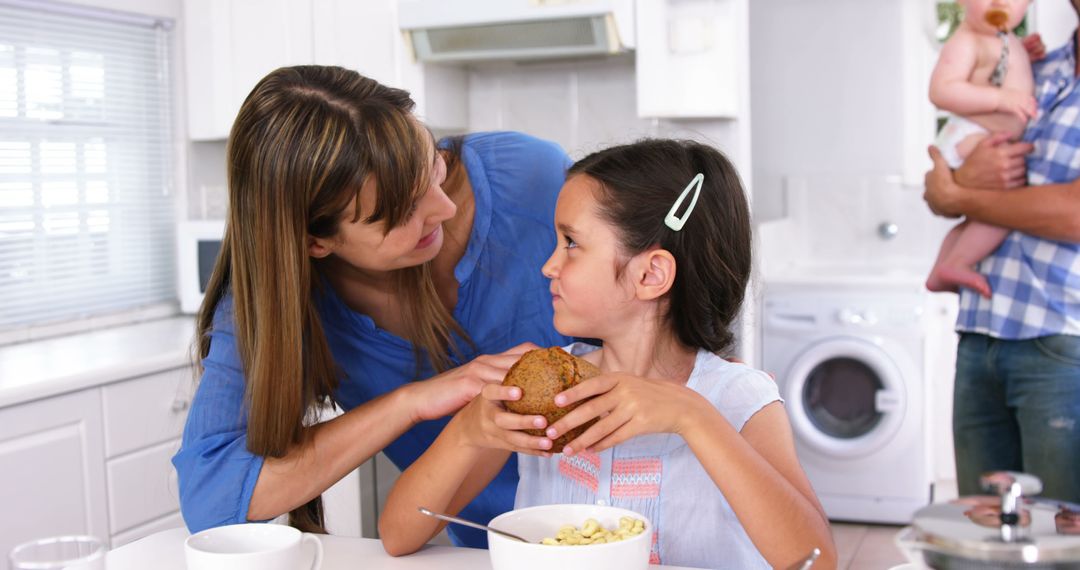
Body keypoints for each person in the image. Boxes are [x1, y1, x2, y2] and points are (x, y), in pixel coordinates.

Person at [378, 139, 837, 569]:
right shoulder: (537, 395)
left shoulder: (736, 398)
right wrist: (465, 432)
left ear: (651, 273)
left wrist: (694, 419)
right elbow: (399, 536)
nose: (548, 265)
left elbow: (817, 560)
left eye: (571, 244)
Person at [171, 65, 574, 547]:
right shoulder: (277, 301)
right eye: (404, 210)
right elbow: (211, 499)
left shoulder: (533, 177)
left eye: (433, 167)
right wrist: (410, 402)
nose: (443, 207)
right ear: (316, 242)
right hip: (490, 552)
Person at [923, 3, 1080, 503]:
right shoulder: (1037, 67)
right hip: (982, 333)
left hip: (1063, 343)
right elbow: (937, 186)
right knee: (985, 532)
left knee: (1061, 534)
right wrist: (958, 183)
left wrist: (961, 196)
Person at [925, 0, 1035, 298]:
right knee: (1002, 209)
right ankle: (959, 262)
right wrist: (1000, 100)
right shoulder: (966, 40)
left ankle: (943, 268)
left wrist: (1025, 54)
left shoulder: (1002, 39)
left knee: (976, 217)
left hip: (982, 135)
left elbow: (1001, 71)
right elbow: (941, 89)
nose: (1000, 2)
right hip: (973, 136)